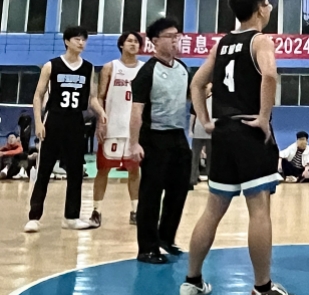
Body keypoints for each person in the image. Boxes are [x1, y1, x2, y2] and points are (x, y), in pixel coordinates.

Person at [180, 0, 297, 295]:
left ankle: (192, 281)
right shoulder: (260, 41)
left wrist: (205, 121)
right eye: (268, 4)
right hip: (249, 131)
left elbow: (197, 83)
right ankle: (262, 290)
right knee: (259, 209)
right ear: (260, 9)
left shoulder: (222, 44)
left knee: (212, 210)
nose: (270, 8)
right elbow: (269, 76)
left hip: (223, 132)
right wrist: (263, 117)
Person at [25, 26, 107, 233]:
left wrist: (101, 113)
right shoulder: (51, 66)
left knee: (76, 171)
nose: (81, 43)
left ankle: (71, 217)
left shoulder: (88, 68)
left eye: (84, 40)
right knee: (44, 170)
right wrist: (38, 122)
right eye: (77, 39)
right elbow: (38, 95)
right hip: (54, 120)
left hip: (75, 122)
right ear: (67, 41)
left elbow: (92, 98)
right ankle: (34, 217)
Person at [129, 18, 192, 264]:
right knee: (151, 193)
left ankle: (166, 237)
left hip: (178, 136)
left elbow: (192, 96)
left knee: (179, 189)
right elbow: (136, 111)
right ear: (155, 41)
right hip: (154, 137)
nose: (176, 40)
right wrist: (134, 143)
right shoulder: (147, 72)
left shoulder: (183, 68)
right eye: (170, 36)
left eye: (178, 35)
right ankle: (147, 248)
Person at [90, 31, 145, 227]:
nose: (133, 44)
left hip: (134, 129)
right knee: (103, 170)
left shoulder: (144, 69)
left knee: (134, 170)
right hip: (112, 125)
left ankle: (135, 211)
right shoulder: (110, 67)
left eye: (136, 41)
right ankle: (96, 210)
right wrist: (101, 121)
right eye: (129, 41)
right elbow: (100, 97)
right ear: (121, 45)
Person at [189, 82, 213, 190]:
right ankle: (192, 178)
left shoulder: (215, 100)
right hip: (198, 131)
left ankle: (211, 179)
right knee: (195, 156)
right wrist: (190, 130)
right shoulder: (197, 99)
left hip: (211, 133)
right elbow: (192, 115)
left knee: (211, 158)